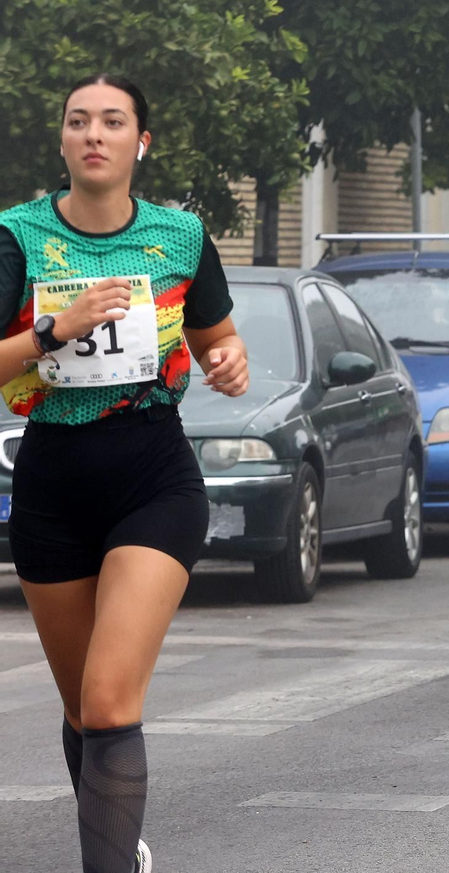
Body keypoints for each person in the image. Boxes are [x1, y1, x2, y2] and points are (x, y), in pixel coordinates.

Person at [2, 74, 249, 873]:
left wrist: (228, 360)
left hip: (153, 476)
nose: (94, 135)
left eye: (113, 122)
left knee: (111, 700)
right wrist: (50, 331)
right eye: (79, 122)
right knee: (83, 710)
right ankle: (117, 843)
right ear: (63, 140)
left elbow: (218, 335)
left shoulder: (181, 236)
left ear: (140, 142)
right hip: (50, 482)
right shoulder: (16, 236)